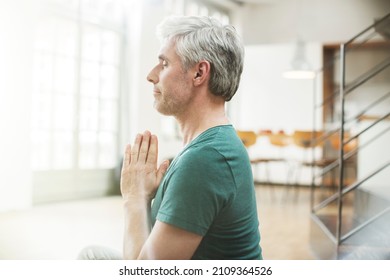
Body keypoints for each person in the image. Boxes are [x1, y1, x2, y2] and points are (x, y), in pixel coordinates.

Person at [78, 15, 262, 260]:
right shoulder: (208, 145)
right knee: (92, 255)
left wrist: (134, 198)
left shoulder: (206, 159)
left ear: (199, 73)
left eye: (163, 64)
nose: (151, 75)